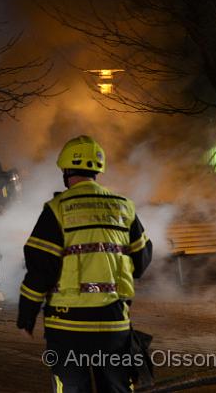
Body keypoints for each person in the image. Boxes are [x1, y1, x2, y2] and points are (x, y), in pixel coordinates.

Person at [17, 135, 153, 392]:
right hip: (114, 322)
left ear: (66, 170)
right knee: (117, 387)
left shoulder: (57, 209)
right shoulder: (124, 207)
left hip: (67, 326)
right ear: (97, 169)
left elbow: (39, 270)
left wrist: (26, 317)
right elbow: (142, 259)